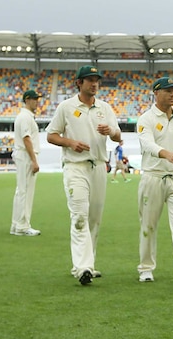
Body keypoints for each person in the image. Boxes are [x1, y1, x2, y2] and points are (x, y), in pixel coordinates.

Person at [46, 65, 121, 285]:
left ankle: (89, 263)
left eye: (96, 80)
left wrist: (111, 131)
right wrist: (69, 142)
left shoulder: (104, 108)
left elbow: (117, 136)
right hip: (75, 166)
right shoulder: (67, 107)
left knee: (94, 218)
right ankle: (82, 267)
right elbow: (51, 135)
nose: (94, 83)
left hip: (98, 166)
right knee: (79, 216)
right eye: (89, 80)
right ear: (79, 83)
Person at [136, 76, 173, 285]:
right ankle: (145, 268)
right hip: (152, 178)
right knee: (148, 226)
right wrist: (166, 154)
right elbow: (146, 144)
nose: (172, 94)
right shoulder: (146, 119)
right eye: (168, 90)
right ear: (156, 93)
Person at [10, 89, 43, 237]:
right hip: (26, 155)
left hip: (24, 154)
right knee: (25, 191)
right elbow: (26, 138)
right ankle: (22, 226)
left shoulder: (26, 116)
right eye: (34, 99)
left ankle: (16, 224)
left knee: (21, 190)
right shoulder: (25, 117)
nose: (37, 102)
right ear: (27, 100)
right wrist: (34, 160)